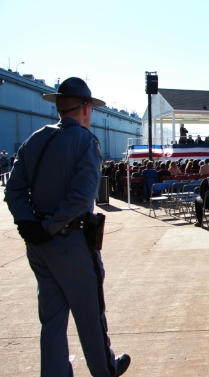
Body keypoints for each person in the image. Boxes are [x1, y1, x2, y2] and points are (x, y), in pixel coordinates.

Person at [3, 77, 130, 376]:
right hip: (69, 241)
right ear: (86, 108)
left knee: (52, 318)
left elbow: (14, 190)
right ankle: (104, 369)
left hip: (37, 244)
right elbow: (82, 197)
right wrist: (48, 226)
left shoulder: (35, 139)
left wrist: (27, 223)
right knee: (89, 314)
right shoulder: (85, 140)